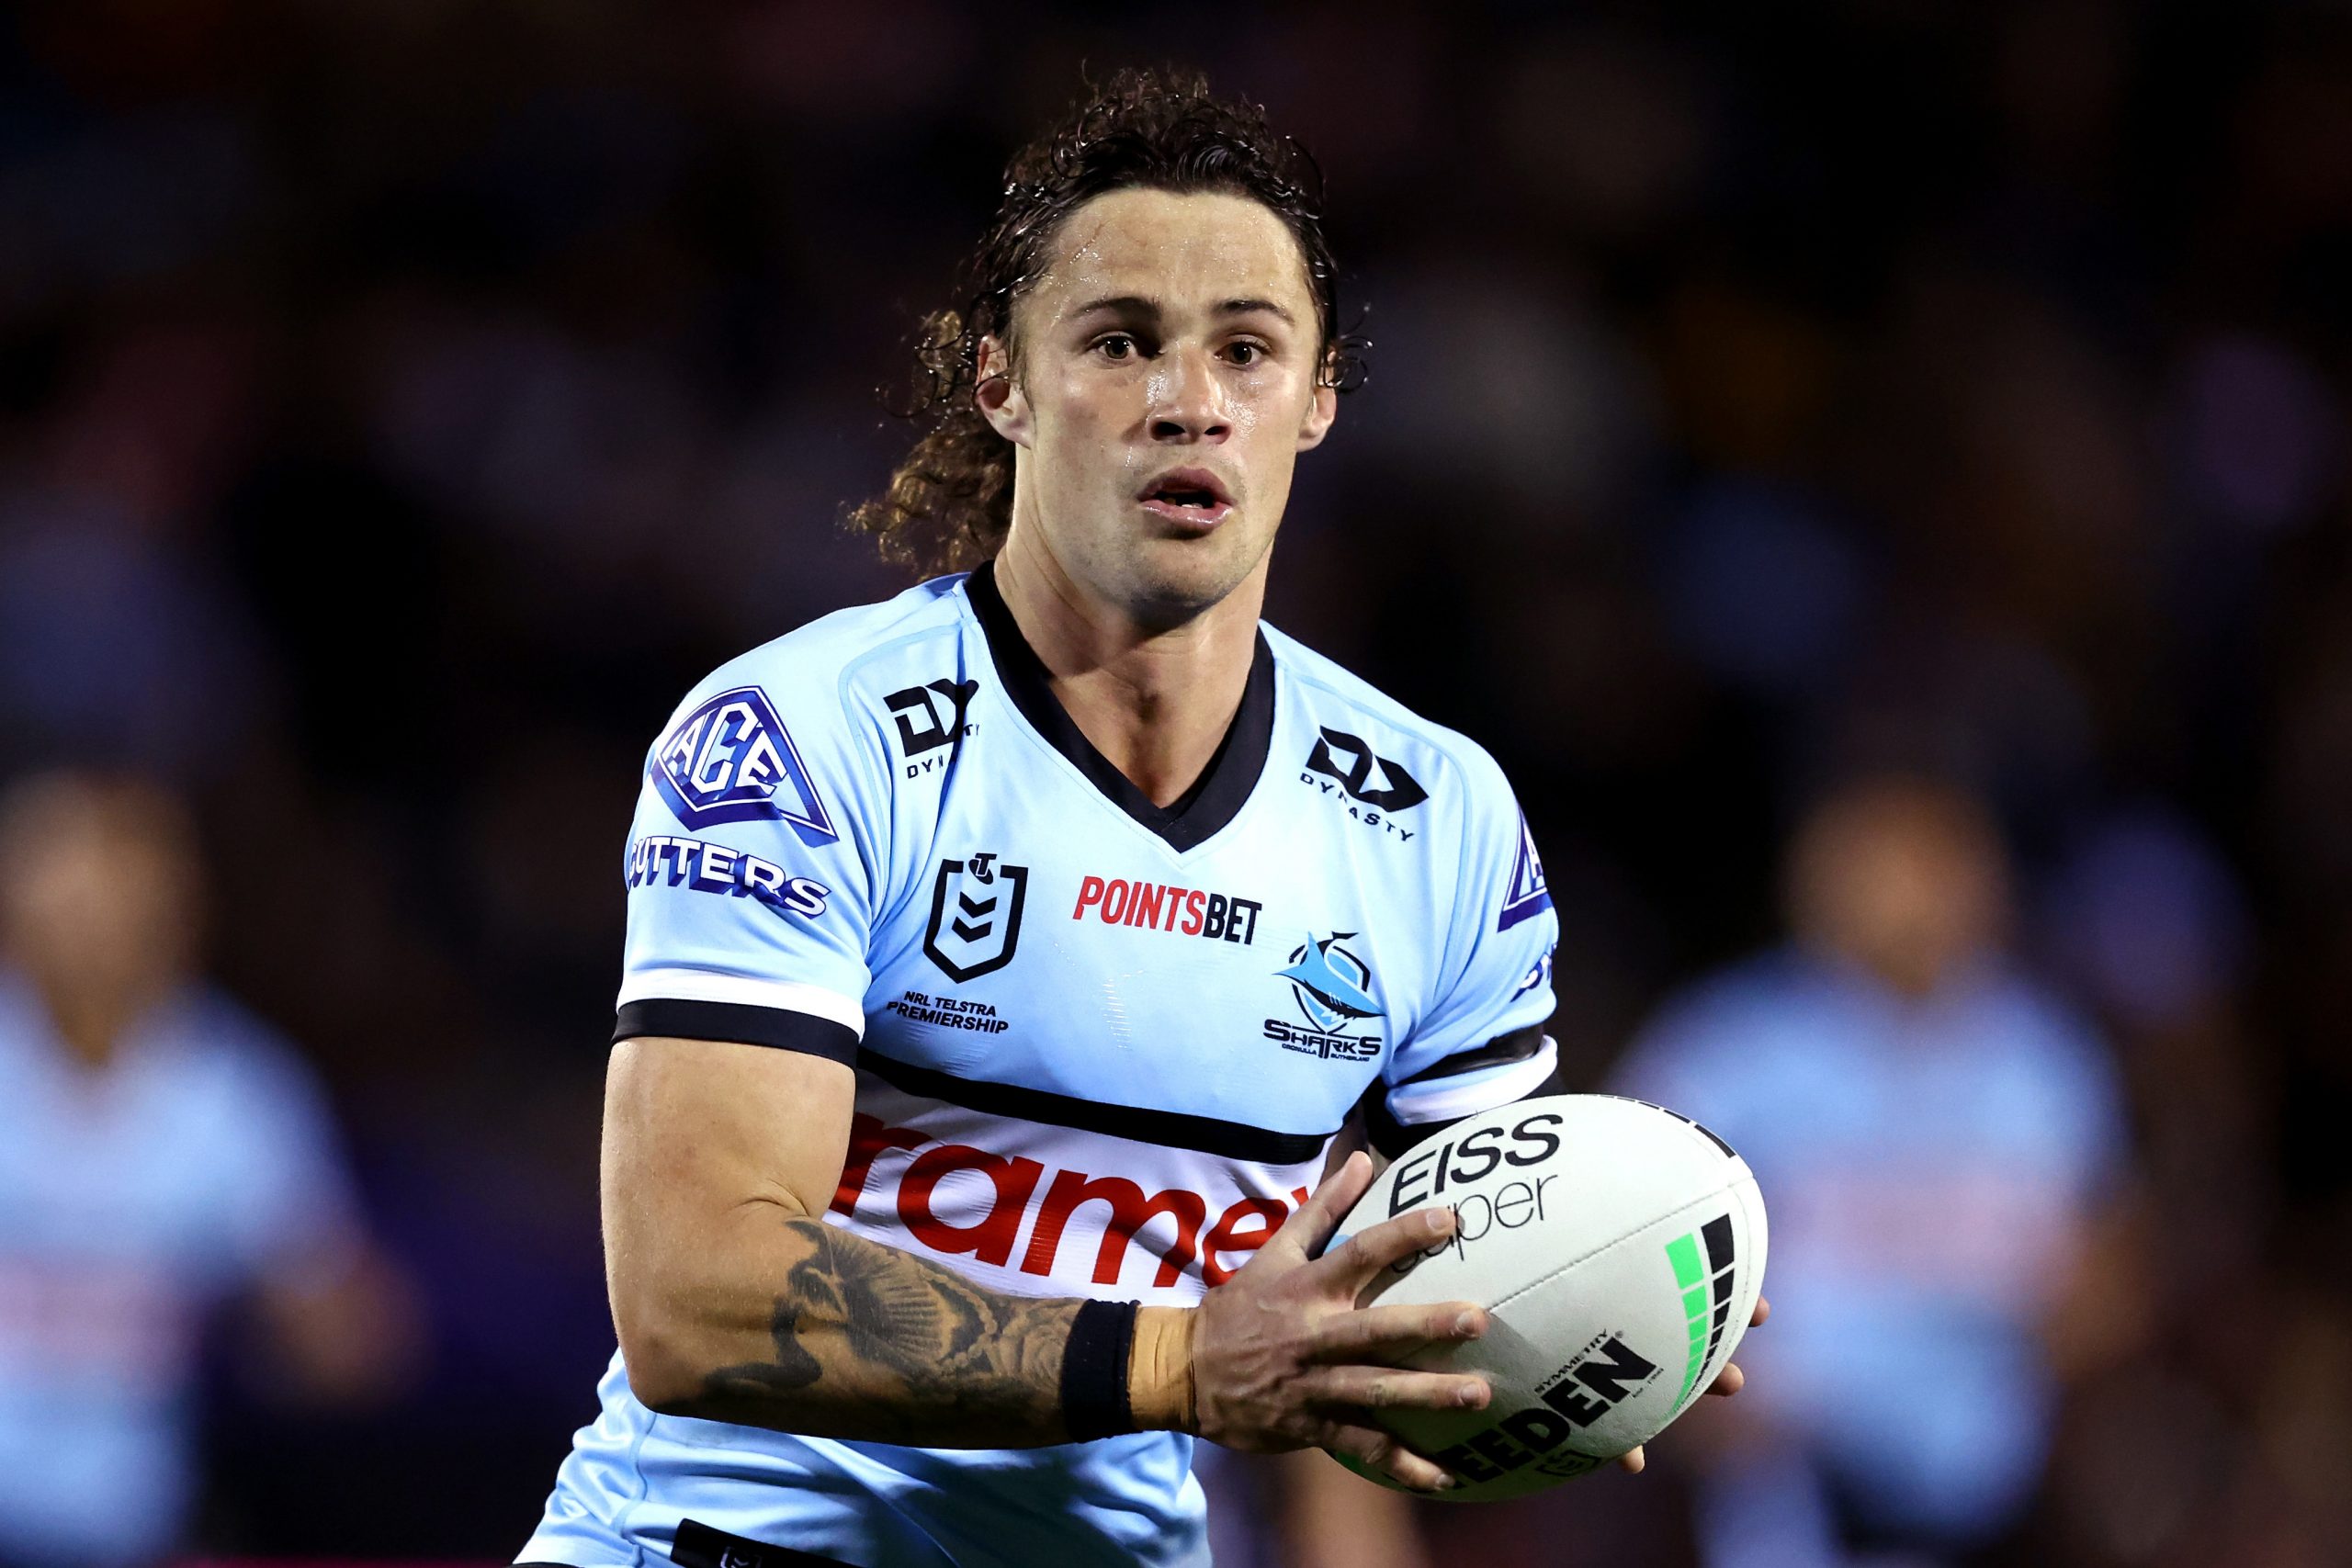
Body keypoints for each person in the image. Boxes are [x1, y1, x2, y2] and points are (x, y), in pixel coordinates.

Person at [522, 71, 1759, 1568]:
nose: (1189, 400)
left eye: (1248, 348)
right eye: (1120, 342)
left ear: (1316, 401)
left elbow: (1396, 1311)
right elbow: (692, 1296)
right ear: (1003, 382)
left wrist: (1619, 1290)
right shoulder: (807, 735)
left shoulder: (1439, 820)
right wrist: (1182, 1363)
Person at [1613, 774, 2128, 1568]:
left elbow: (2110, 1276)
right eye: (1889, 864)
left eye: (1941, 864)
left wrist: (2050, 1366)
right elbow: (1614, 1256)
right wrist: (1705, 1409)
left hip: (1996, 1500)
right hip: (1791, 1496)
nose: (1918, 896)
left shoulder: (2045, 1059)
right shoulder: (1729, 1046)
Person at [0, 770, 417, 1568]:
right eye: (68, 902)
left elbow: (349, 1338)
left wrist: (305, 1327)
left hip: (130, 1532)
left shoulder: (236, 1099)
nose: (93, 933)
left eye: (123, 905)